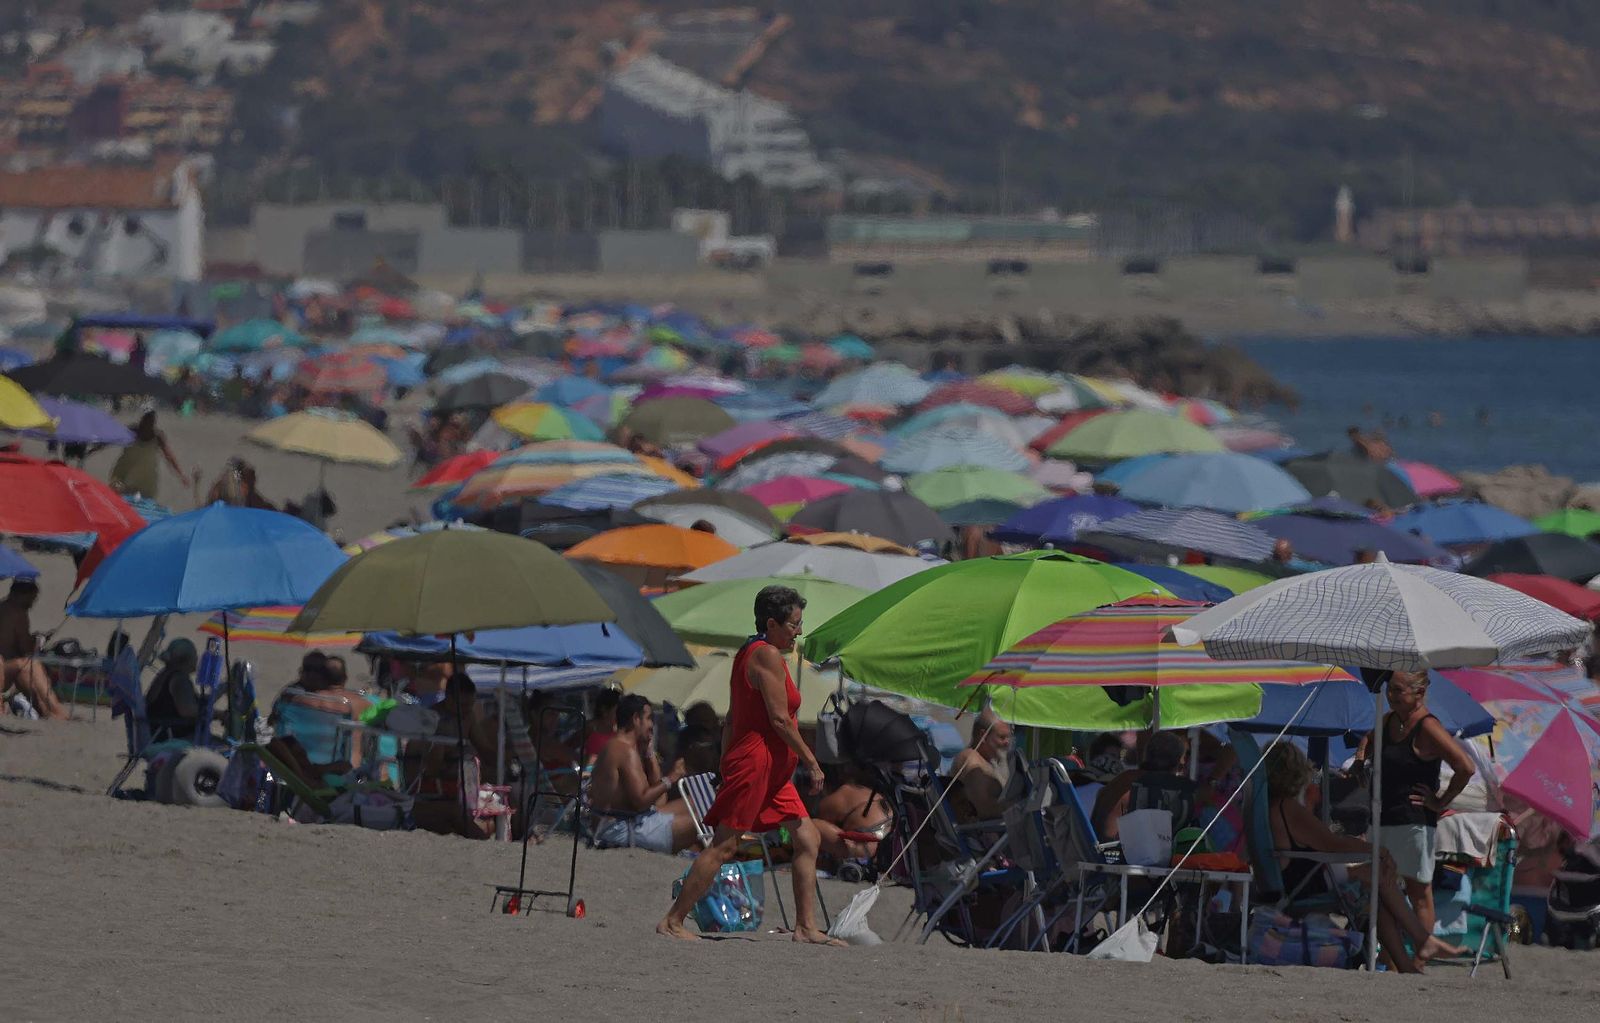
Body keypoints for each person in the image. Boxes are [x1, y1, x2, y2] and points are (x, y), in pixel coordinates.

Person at [658, 585, 839, 943]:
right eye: (794, 624)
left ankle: (805, 927)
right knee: (724, 846)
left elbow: (733, 718)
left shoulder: (751, 652)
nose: (799, 632)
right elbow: (780, 720)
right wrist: (811, 761)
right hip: (757, 764)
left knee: (808, 837)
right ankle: (673, 920)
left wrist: (725, 760)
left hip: (769, 769)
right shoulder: (765, 655)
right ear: (771, 624)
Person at [1264, 743, 1467, 972]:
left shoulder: (1271, 805)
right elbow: (1333, 844)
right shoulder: (1290, 808)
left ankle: (1407, 958)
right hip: (1304, 886)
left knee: (1377, 881)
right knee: (1379, 876)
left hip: (1296, 880)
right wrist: (1377, 849)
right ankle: (1420, 942)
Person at [1360, 669, 1476, 935]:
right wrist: (1359, 760)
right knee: (1380, 889)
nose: (1390, 695)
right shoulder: (1390, 720)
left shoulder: (1428, 727)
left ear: (1420, 693)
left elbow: (1465, 767)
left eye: (1398, 690)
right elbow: (1368, 739)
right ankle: (1390, 955)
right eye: (1389, 689)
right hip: (1383, 816)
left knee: (1418, 892)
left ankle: (1421, 952)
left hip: (1413, 822)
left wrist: (1440, 801)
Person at [590, 694, 699, 853]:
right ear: (636, 719)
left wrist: (649, 754)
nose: (651, 725)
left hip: (626, 821)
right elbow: (641, 801)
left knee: (697, 802)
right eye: (648, 719)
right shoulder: (624, 750)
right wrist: (672, 777)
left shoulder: (619, 746)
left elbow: (660, 801)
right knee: (707, 819)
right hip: (621, 829)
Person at [412, 673, 500, 839]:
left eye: (470, 704)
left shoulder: (468, 717)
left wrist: (503, 762)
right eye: (463, 705)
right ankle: (481, 840)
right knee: (462, 817)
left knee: (503, 795)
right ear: (449, 697)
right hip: (436, 788)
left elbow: (484, 747)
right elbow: (431, 769)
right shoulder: (433, 719)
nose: (467, 709)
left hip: (462, 782)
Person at [1093, 731, 1197, 841]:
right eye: (1180, 766)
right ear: (1176, 765)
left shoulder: (1126, 779)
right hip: (1112, 847)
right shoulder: (1144, 783)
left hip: (1095, 845)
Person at [0, 580, 66, 719]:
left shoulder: (3, 608)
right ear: (20, 595)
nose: (32, 603)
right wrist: (38, 642)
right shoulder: (17, 613)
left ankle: (50, 713)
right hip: (4, 670)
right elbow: (26, 648)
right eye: (31, 598)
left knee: (26, 672)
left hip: (5, 668)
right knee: (30, 666)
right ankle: (56, 712)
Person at [949, 706, 1014, 823]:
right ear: (983, 735)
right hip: (981, 830)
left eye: (1008, 737)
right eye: (1002, 737)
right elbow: (982, 809)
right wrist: (1019, 807)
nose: (1007, 742)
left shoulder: (986, 761)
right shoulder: (972, 761)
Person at [108, 410, 189, 501]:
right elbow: (110, 439)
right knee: (116, 502)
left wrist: (181, 475)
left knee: (142, 506)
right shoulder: (131, 431)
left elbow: (169, 457)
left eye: (151, 421)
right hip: (123, 477)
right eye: (146, 420)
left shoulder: (157, 437)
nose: (147, 425)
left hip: (146, 482)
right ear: (142, 420)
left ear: (153, 423)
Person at [145, 638, 201, 740]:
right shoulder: (179, 679)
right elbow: (187, 710)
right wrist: (215, 714)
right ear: (186, 659)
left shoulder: (165, 674)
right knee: (223, 746)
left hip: (157, 732)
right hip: (171, 736)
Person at [583, 687, 621, 764]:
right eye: (617, 711)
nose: (621, 714)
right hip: (591, 768)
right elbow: (569, 746)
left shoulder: (619, 729)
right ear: (604, 709)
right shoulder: (591, 727)